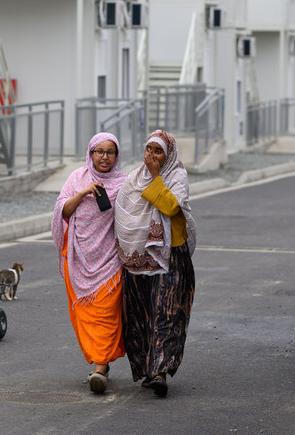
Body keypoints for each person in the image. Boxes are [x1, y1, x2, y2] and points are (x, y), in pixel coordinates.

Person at [114, 130, 196, 398]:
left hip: (170, 257)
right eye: (148, 149)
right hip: (138, 260)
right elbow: (124, 215)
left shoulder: (176, 176)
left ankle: (161, 370)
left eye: (158, 151)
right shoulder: (134, 178)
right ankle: (148, 370)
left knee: (167, 312)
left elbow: (171, 207)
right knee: (140, 314)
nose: (151, 156)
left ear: (168, 155)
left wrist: (156, 176)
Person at [52, 132, 127, 395]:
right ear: (91, 153)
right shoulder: (77, 178)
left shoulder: (124, 184)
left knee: (106, 314)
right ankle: (99, 363)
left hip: (109, 261)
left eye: (110, 152)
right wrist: (84, 192)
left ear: (117, 156)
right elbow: (63, 211)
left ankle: (100, 368)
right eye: (99, 151)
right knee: (85, 316)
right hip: (78, 259)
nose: (105, 157)